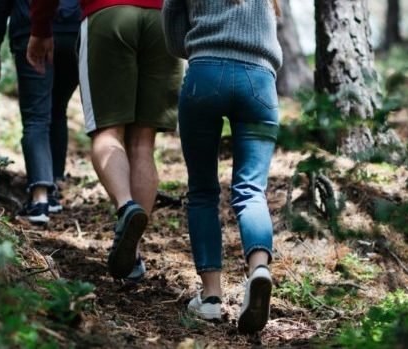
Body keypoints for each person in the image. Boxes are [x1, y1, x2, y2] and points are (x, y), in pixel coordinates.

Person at [27, 0, 182, 280]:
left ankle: (126, 206)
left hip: (108, 14)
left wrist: (40, 28)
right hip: (162, 20)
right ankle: (133, 255)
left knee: (107, 131)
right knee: (143, 144)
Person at [162, 0, 283, 333]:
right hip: (259, 81)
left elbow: (172, 23)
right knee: (251, 191)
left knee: (202, 191)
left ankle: (211, 298)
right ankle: (259, 270)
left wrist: (201, 44)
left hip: (205, 75)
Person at [0, 0, 81, 224]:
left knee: (36, 117)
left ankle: (40, 200)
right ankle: (52, 189)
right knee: (57, 109)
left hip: (31, 30)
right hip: (73, 32)